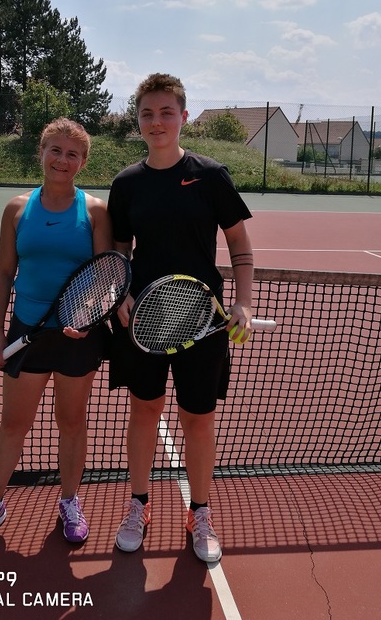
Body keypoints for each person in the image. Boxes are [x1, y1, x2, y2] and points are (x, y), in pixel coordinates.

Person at [107, 73, 254, 563]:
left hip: (203, 321)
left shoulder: (211, 175)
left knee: (198, 420)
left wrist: (243, 302)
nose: (157, 122)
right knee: (144, 411)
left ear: (183, 117)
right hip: (143, 320)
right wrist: (120, 292)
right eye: (147, 113)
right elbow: (119, 247)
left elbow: (239, 243)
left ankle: (200, 513)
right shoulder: (126, 184)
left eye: (166, 112)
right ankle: (139, 505)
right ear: (138, 121)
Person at [0, 118, 112, 547]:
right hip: (26, 330)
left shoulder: (95, 211)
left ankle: (69, 501)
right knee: (13, 424)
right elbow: (5, 273)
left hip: (76, 335)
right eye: (55, 150)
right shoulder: (17, 209)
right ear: (41, 153)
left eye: (72, 154)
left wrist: (85, 316)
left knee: (72, 423)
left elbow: (105, 275)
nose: (63, 160)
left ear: (83, 162)